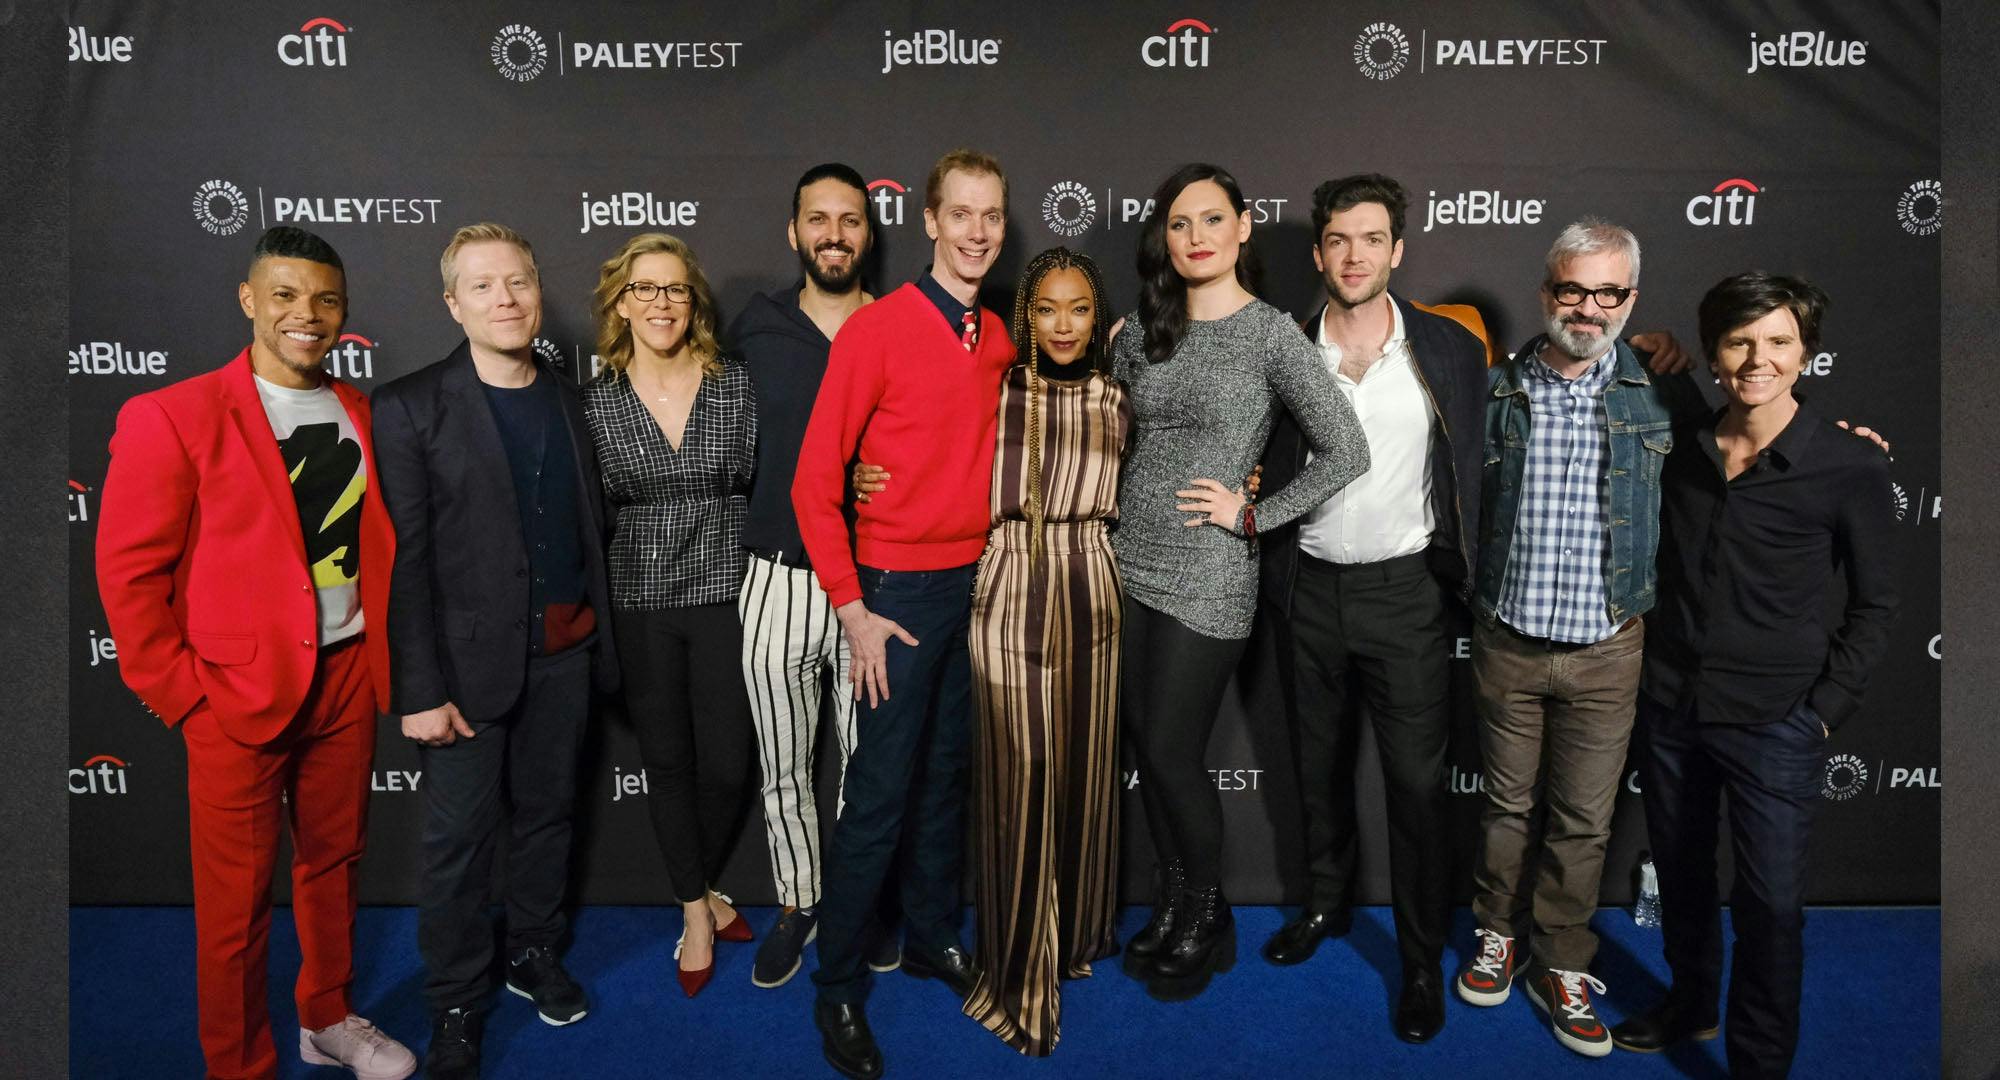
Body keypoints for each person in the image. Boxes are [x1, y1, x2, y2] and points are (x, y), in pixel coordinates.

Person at [94, 226, 418, 1080]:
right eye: (284, 295)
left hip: (346, 674)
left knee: (335, 864)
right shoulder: (174, 413)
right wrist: (186, 696)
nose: (305, 315)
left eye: (324, 299)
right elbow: (129, 575)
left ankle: (328, 1017)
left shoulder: (362, 411)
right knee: (234, 907)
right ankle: (238, 1063)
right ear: (248, 299)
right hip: (234, 692)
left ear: (345, 312)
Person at [1614, 273, 1898, 1077]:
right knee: (1683, 876)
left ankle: (1760, 1062)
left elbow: (1876, 606)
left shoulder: (1848, 463)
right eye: (1740, 342)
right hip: (1673, 705)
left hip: (1779, 720)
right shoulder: (1683, 445)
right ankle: (1691, 1002)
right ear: (1713, 353)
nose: (1757, 359)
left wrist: (1824, 711)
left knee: (1771, 908)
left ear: (1805, 352)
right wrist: (1645, 348)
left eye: (1777, 342)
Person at [1111, 163, 1370, 1004]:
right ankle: (1176, 903)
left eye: (1211, 220)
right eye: (1179, 224)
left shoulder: (1268, 335)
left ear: (1243, 227)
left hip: (1211, 573)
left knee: (1178, 755)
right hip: (1130, 564)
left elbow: (1347, 450)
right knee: (1151, 749)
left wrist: (1254, 515)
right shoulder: (1140, 331)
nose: (1195, 238)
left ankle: (1206, 914)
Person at [864, 248, 1130, 1054]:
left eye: (1078, 308)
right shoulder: (997, 383)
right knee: (1019, 772)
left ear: (1096, 315)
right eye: (1046, 307)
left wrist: (1247, 485)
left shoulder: (1120, 397)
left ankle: (1078, 933)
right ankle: (1019, 955)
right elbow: (919, 439)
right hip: (1007, 582)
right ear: (1026, 314)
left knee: (1084, 770)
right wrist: (859, 477)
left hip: (1095, 586)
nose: (1061, 324)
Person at [1453, 219, 1708, 1058]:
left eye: (1609, 293)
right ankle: (1499, 932)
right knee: (1505, 809)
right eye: (1573, 289)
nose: (1588, 308)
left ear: (1631, 299)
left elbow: (1741, 455)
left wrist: (1837, 442)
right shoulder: (1494, 390)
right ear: (1546, 292)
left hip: (1609, 646)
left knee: (1583, 822)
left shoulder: (1662, 392)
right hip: (1509, 639)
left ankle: (1560, 959)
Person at [372, 223, 618, 1080]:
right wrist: (422, 686)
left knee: (549, 820)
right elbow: (403, 562)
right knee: (458, 847)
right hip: (463, 674)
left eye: (517, 282)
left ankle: (535, 951)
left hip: (566, 657)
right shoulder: (407, 406)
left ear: (537, 293)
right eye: (482, 286)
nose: (505, 299)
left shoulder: (571, 396)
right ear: (453, 303)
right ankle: (455, 1005)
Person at [793, 148, 1016, 1080]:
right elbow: (815, 486)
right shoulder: (874, 332)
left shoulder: (1000, 335)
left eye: (991, 216)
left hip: (980, 587)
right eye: (959, 213)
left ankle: (928, 936)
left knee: (946, 783)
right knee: (878, 796)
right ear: (927, 221)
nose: (975, 231)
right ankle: (839, 985)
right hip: (895, 594)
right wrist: (853, 609)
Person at [1254, 174, 1487, 1043]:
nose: (1355, 256)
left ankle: (1422, 959)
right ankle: (1325, 907)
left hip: (1408, 596)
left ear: (1398, 249)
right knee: (1317, 769)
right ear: (1319, 254)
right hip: (1306, 588)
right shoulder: (1280, 346)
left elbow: (1526, 408)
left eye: (1372, 238)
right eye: (1338, 241)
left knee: (1419, 790)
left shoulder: (1448, 348)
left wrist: (1661, 361)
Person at [582, 232, 757, 998]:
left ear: (695, 303)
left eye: (676, 289)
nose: (662, 303)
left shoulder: (734, 384)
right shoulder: (595, 401)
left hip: (726, 589)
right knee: (668, 763)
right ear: (622, 303)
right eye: (646, 289)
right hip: (641, 601)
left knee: (725, 763)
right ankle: (695, 907)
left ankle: (705, 890)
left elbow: (763, 476)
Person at [728, 164, 874, 990]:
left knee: (866, 760)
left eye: (849, 220)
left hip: (870, 580)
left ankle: (853, 900)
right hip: (777, 575)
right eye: (817, 220)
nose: (833, 234)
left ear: (869, 232)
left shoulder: (897, 325)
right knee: (784, 764)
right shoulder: (755, 327)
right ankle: (799, 901)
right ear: (794, 234)